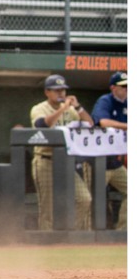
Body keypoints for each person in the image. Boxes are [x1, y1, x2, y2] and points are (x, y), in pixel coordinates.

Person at [30, 74, 93, 231]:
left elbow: (90, 124)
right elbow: (41, 125)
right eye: (56, 90)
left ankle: (69, 234)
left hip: (65, 161)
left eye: (63, 90)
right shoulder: (39, 108)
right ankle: (46, 241)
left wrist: (77, 107)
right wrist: (62, 109)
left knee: (84, 199)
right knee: (47, 207)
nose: (61, 94)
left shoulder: (71, 110)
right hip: (45, 160)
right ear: (47, 92)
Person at [90, 72, 127, 230]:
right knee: (93, 198)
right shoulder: (105, 100)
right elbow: (103, 122)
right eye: (123, 86)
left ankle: (123, 231)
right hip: (98, 160)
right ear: (113, 88)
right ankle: (87, 233)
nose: (127, 89)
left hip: (116, 161)